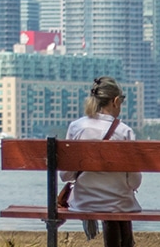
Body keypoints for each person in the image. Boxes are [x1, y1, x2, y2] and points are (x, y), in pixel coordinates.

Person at [62, 76, 139, 247]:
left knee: (115, 207)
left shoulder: (76, 127)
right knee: (118, 205)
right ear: (115, 101)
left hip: (84, 202)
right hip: (120, 203)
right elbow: (134, 181)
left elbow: (65, 175)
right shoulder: (125, 131)